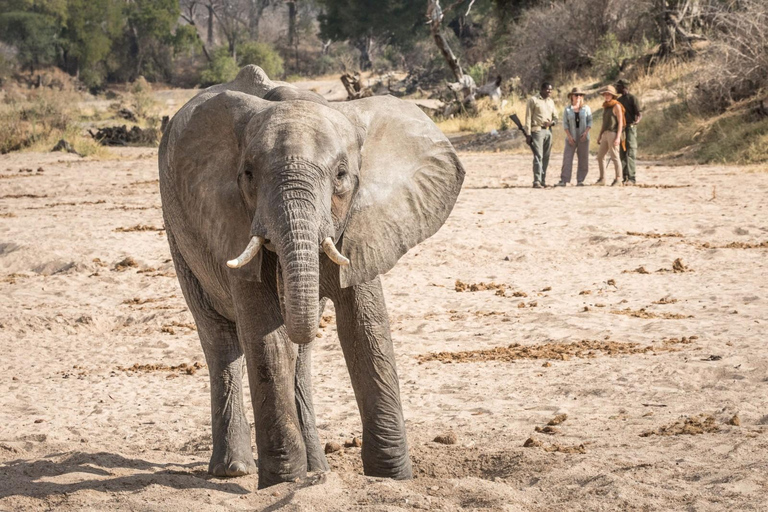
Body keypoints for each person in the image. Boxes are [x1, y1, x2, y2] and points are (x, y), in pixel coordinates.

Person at [524, 82, 558, 188]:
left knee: (546, 156)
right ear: (542, 89)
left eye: (551, 90)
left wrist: (552, 123)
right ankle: (537, 181)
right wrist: (528, 134)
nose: (549, 92)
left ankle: (543, 180)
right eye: (548, 90)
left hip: (548, 131)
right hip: (537, 131)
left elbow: (556, 117)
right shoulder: (533, 100)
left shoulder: (551, 102)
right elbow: (528, 118)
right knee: (538, 155)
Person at [556, 87, 592, 187]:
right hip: (571, 135)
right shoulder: (567, 109)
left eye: (580, 95)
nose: (578, 97)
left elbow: (590, 121)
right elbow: (565, 124)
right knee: (567, 158)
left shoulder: (586, 108)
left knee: (583, 158)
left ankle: (580, 180)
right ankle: (564, 179)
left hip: (583, 136)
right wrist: (569, 136)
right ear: (571, 96)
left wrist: (586, 132)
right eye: (576, 95)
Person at [596, 85, 625, 186]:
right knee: (600, 156)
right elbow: (604, 123)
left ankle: (618, 178)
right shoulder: (606, 106)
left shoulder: (616, 106)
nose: (607, 95)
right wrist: (600, 135)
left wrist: (618, 137)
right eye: (605, 94)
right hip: (605, 133)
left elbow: (620, 123)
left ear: (613, 95)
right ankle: (602, 178)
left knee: (615, 157)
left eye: (609, 94)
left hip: (613, 133)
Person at [616, 79, 642, 185]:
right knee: (622, 152)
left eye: (618, 86)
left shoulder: (632, 98)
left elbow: (639, 113)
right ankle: (625, 177)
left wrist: (636, 122)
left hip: (630, 127)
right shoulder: (619, 100)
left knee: (630, 152)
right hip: (621, 128)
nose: (617, 88)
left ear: (624, 87)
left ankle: (632, 178)